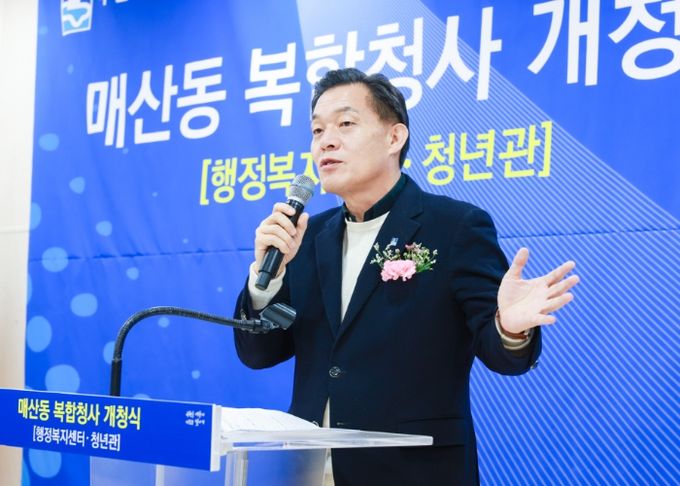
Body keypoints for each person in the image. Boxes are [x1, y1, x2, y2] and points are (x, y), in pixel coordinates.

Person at [234, 68, 579, 485]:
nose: (326, 141)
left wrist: (508, 326)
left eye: (345, 124)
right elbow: (259, 354)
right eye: (317, 130)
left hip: (411, 472)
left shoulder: (454, 227)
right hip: (307, 472)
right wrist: (265, 281)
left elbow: (502, 356)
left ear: (394, 137)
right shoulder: (305, 237)